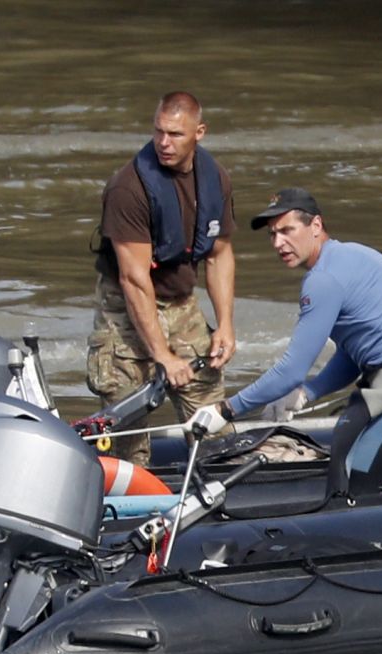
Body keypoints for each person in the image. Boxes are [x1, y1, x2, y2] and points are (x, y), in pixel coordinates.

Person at [189, 188, 382, 495]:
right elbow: (355, 353)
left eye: (287, 231)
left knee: (347, 478)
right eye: (272, 235)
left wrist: (225, 410)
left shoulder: (322, 279)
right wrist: (307, 392)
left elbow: (290, 369)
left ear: (316, 226)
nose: (278, 243)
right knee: (347, 448)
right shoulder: (347, 256)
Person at [86, 90, 238, 465]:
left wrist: (225, 325)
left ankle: (219, 488)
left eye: (175, 134)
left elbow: (219, 255)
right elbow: (134, 279)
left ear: (199, 132)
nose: (164, 143)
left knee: (212, 419)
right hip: (127, 306)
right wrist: (163, 357)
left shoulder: (214, 177)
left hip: (182, 302)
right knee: (128, 432)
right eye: (159, 132)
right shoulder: (129, 188)